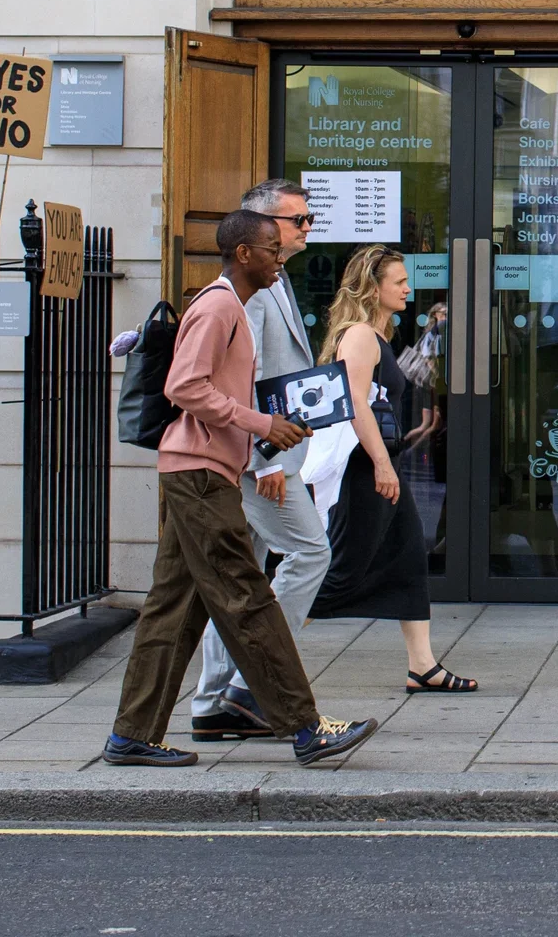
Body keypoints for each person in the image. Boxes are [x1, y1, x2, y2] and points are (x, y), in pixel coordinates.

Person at [102, 211, 379, 767]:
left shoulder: (230, 305)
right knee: (247, 597)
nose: (281, 257)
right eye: (272, 247)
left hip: (201, 470)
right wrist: (261, 426)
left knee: (173, 610)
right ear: (243, 254)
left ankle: (132, 734)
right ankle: (305, 727)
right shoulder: (220, 304)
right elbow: (184, 386)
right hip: (200, 474)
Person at [191, 180, 332, 743]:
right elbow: (238, 378)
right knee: (310, 551)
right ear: (260, 226)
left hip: (263, 454)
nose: (306, 229)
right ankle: (253, 688)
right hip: (256, 459)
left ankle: (211, 703)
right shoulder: (247, 289)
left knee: (239, 580)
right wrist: (264, 459)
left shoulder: (276, 279)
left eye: (307, 219)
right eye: (298, 220)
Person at [304, 246, 476, 693]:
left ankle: (423, 665)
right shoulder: (360, 335)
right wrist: (382, 464)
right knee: (342, 569)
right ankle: (253, 656)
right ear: (372, 286)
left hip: (380, 462)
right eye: (399, 281)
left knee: (407, 559)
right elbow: (355, 403)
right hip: (365, 467)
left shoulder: (378, 334)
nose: (407, 288)